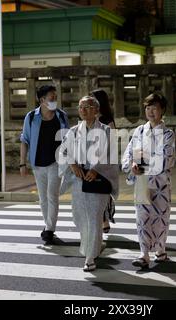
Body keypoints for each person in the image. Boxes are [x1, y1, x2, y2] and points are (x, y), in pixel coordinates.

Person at [58, 96, 119, 272]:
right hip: (79, 181)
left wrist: (97, 169)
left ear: (96, 110)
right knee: (80, 218)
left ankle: (90, 257)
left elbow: (111, 156)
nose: (83, 110)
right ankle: (92, 248)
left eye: (87, 106)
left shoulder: (106, 131)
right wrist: (72, 164)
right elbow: (63, 151)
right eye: (80, 107)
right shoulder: (73, 131)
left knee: (93, 219)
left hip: (97, 181)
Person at [122, 92, 176, 269]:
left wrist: (141, 164)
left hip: (161, 183)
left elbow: (166, 158)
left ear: (162, 111)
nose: (150, 111)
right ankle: (144, 254)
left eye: (154, 108)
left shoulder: (168, 134)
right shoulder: (139, 131)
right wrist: (131, 165)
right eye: (147, 108)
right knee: (142, 217)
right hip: (142, 181)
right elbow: (130, 153)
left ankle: (160, 250)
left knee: (161, 217)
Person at [20, 85, 69, 245]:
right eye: (51, 98)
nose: (55, 100)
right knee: (43, 198)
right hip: (37, 163)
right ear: (42, 100)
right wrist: (22, 163)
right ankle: (48, 227)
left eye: (56, 97)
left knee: (52, 196)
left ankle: (49, 229)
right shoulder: (31, 117)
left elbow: (68, 140)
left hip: (56, 162)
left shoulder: (61, 116)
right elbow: (24, 140)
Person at [90, 89, 116, 234]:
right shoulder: (90, 118)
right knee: (94, 192)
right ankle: (101, 220)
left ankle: (104, 220)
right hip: (91, 160)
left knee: (104, 192)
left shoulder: (107, 120)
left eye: (94, 99)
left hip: (105, 161)